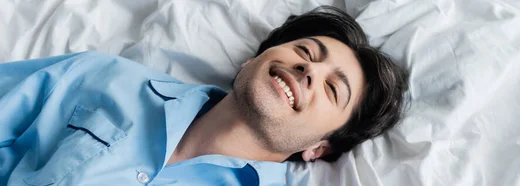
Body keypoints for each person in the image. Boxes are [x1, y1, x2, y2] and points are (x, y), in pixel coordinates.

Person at [0, 6, 408, 186]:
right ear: (253, 60)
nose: (310, 70)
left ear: (319, 149)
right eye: (304, 52)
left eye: (332, 89)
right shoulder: (104, 76)